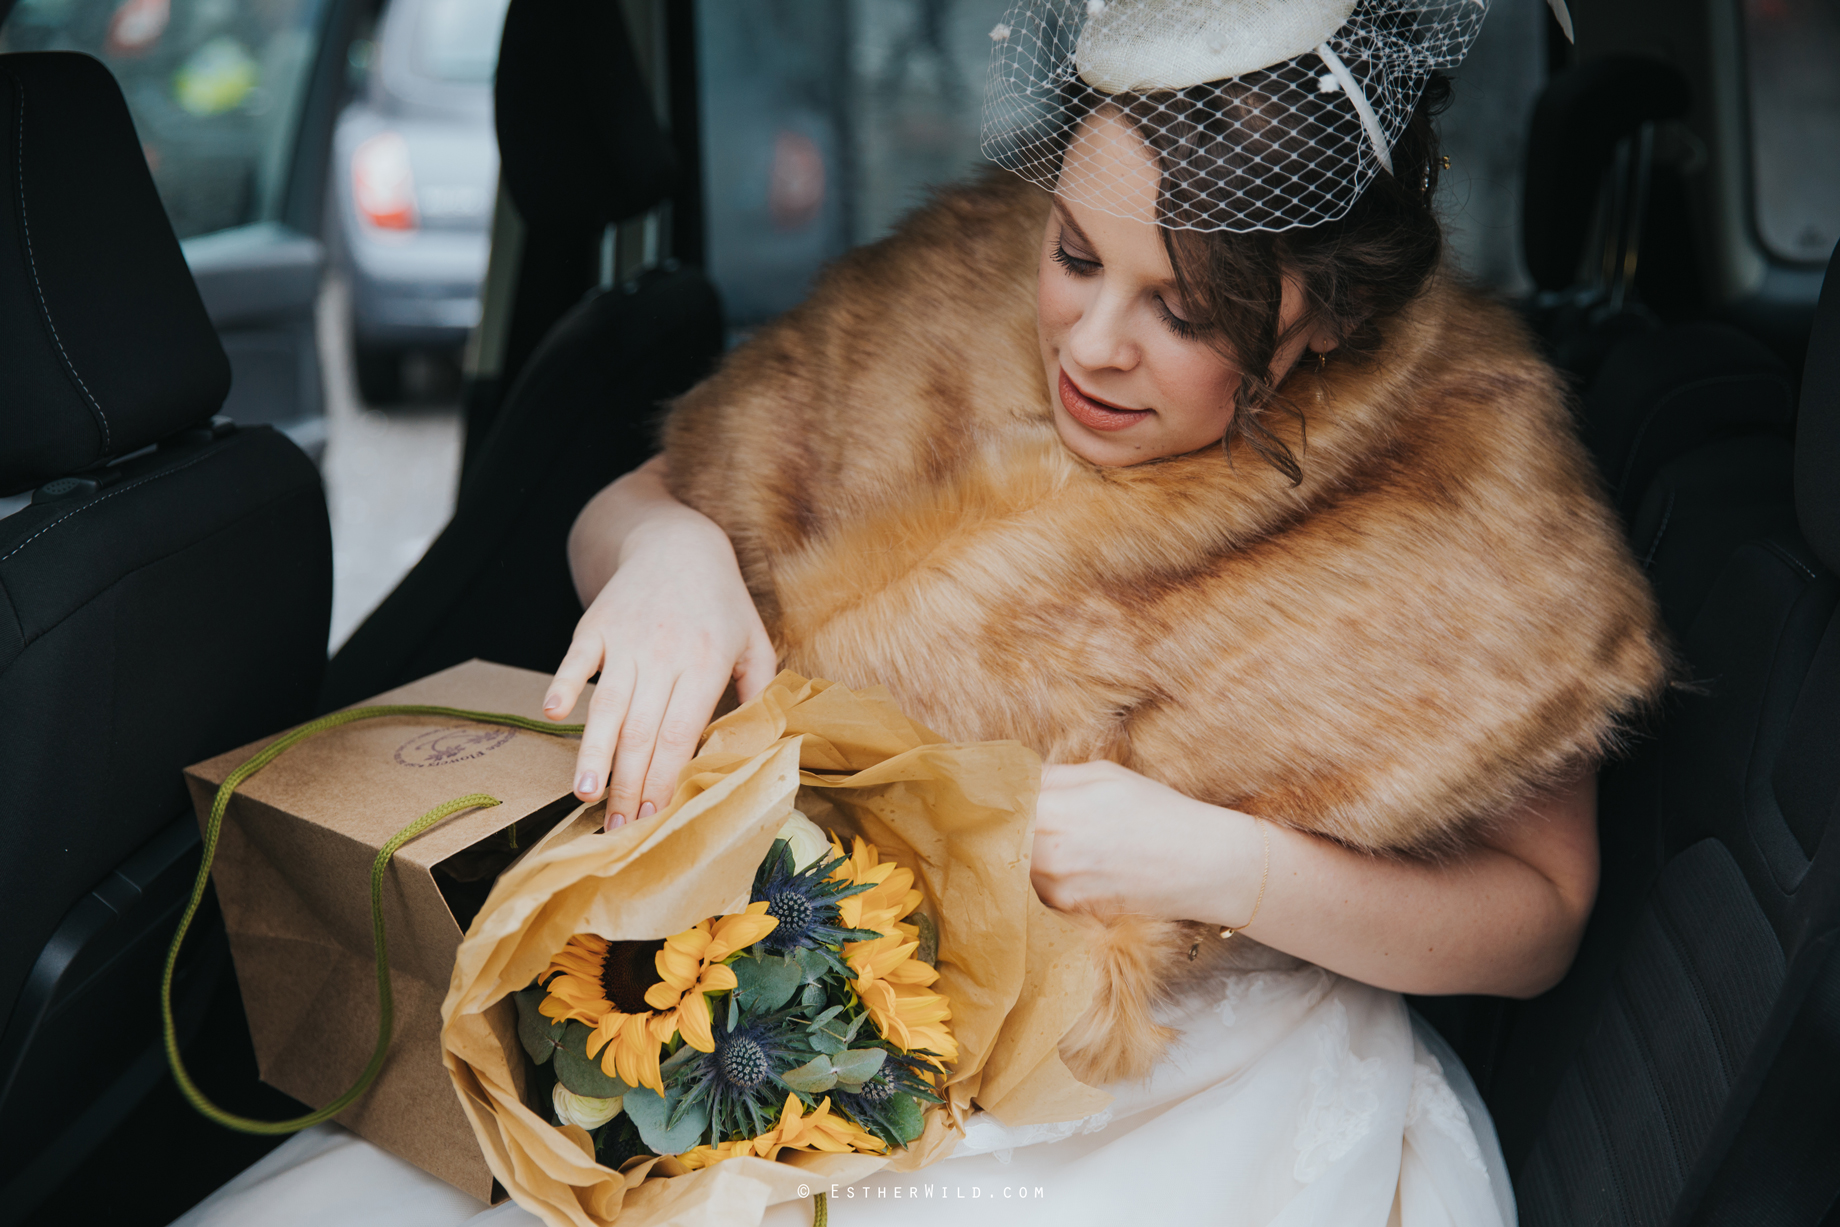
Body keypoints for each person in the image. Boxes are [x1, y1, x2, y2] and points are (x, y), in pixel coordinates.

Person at [540, 0, 1660, 1222]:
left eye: (1181, 313)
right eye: (1073, 256)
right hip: (772, 1001)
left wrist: (1225, 866)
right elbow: (634, 496)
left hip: (1195, 1086)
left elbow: (1538, 920)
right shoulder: (927, 312)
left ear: (1325, 316)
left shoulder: (1465, 493)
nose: (1091, 346)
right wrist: (670, 549)